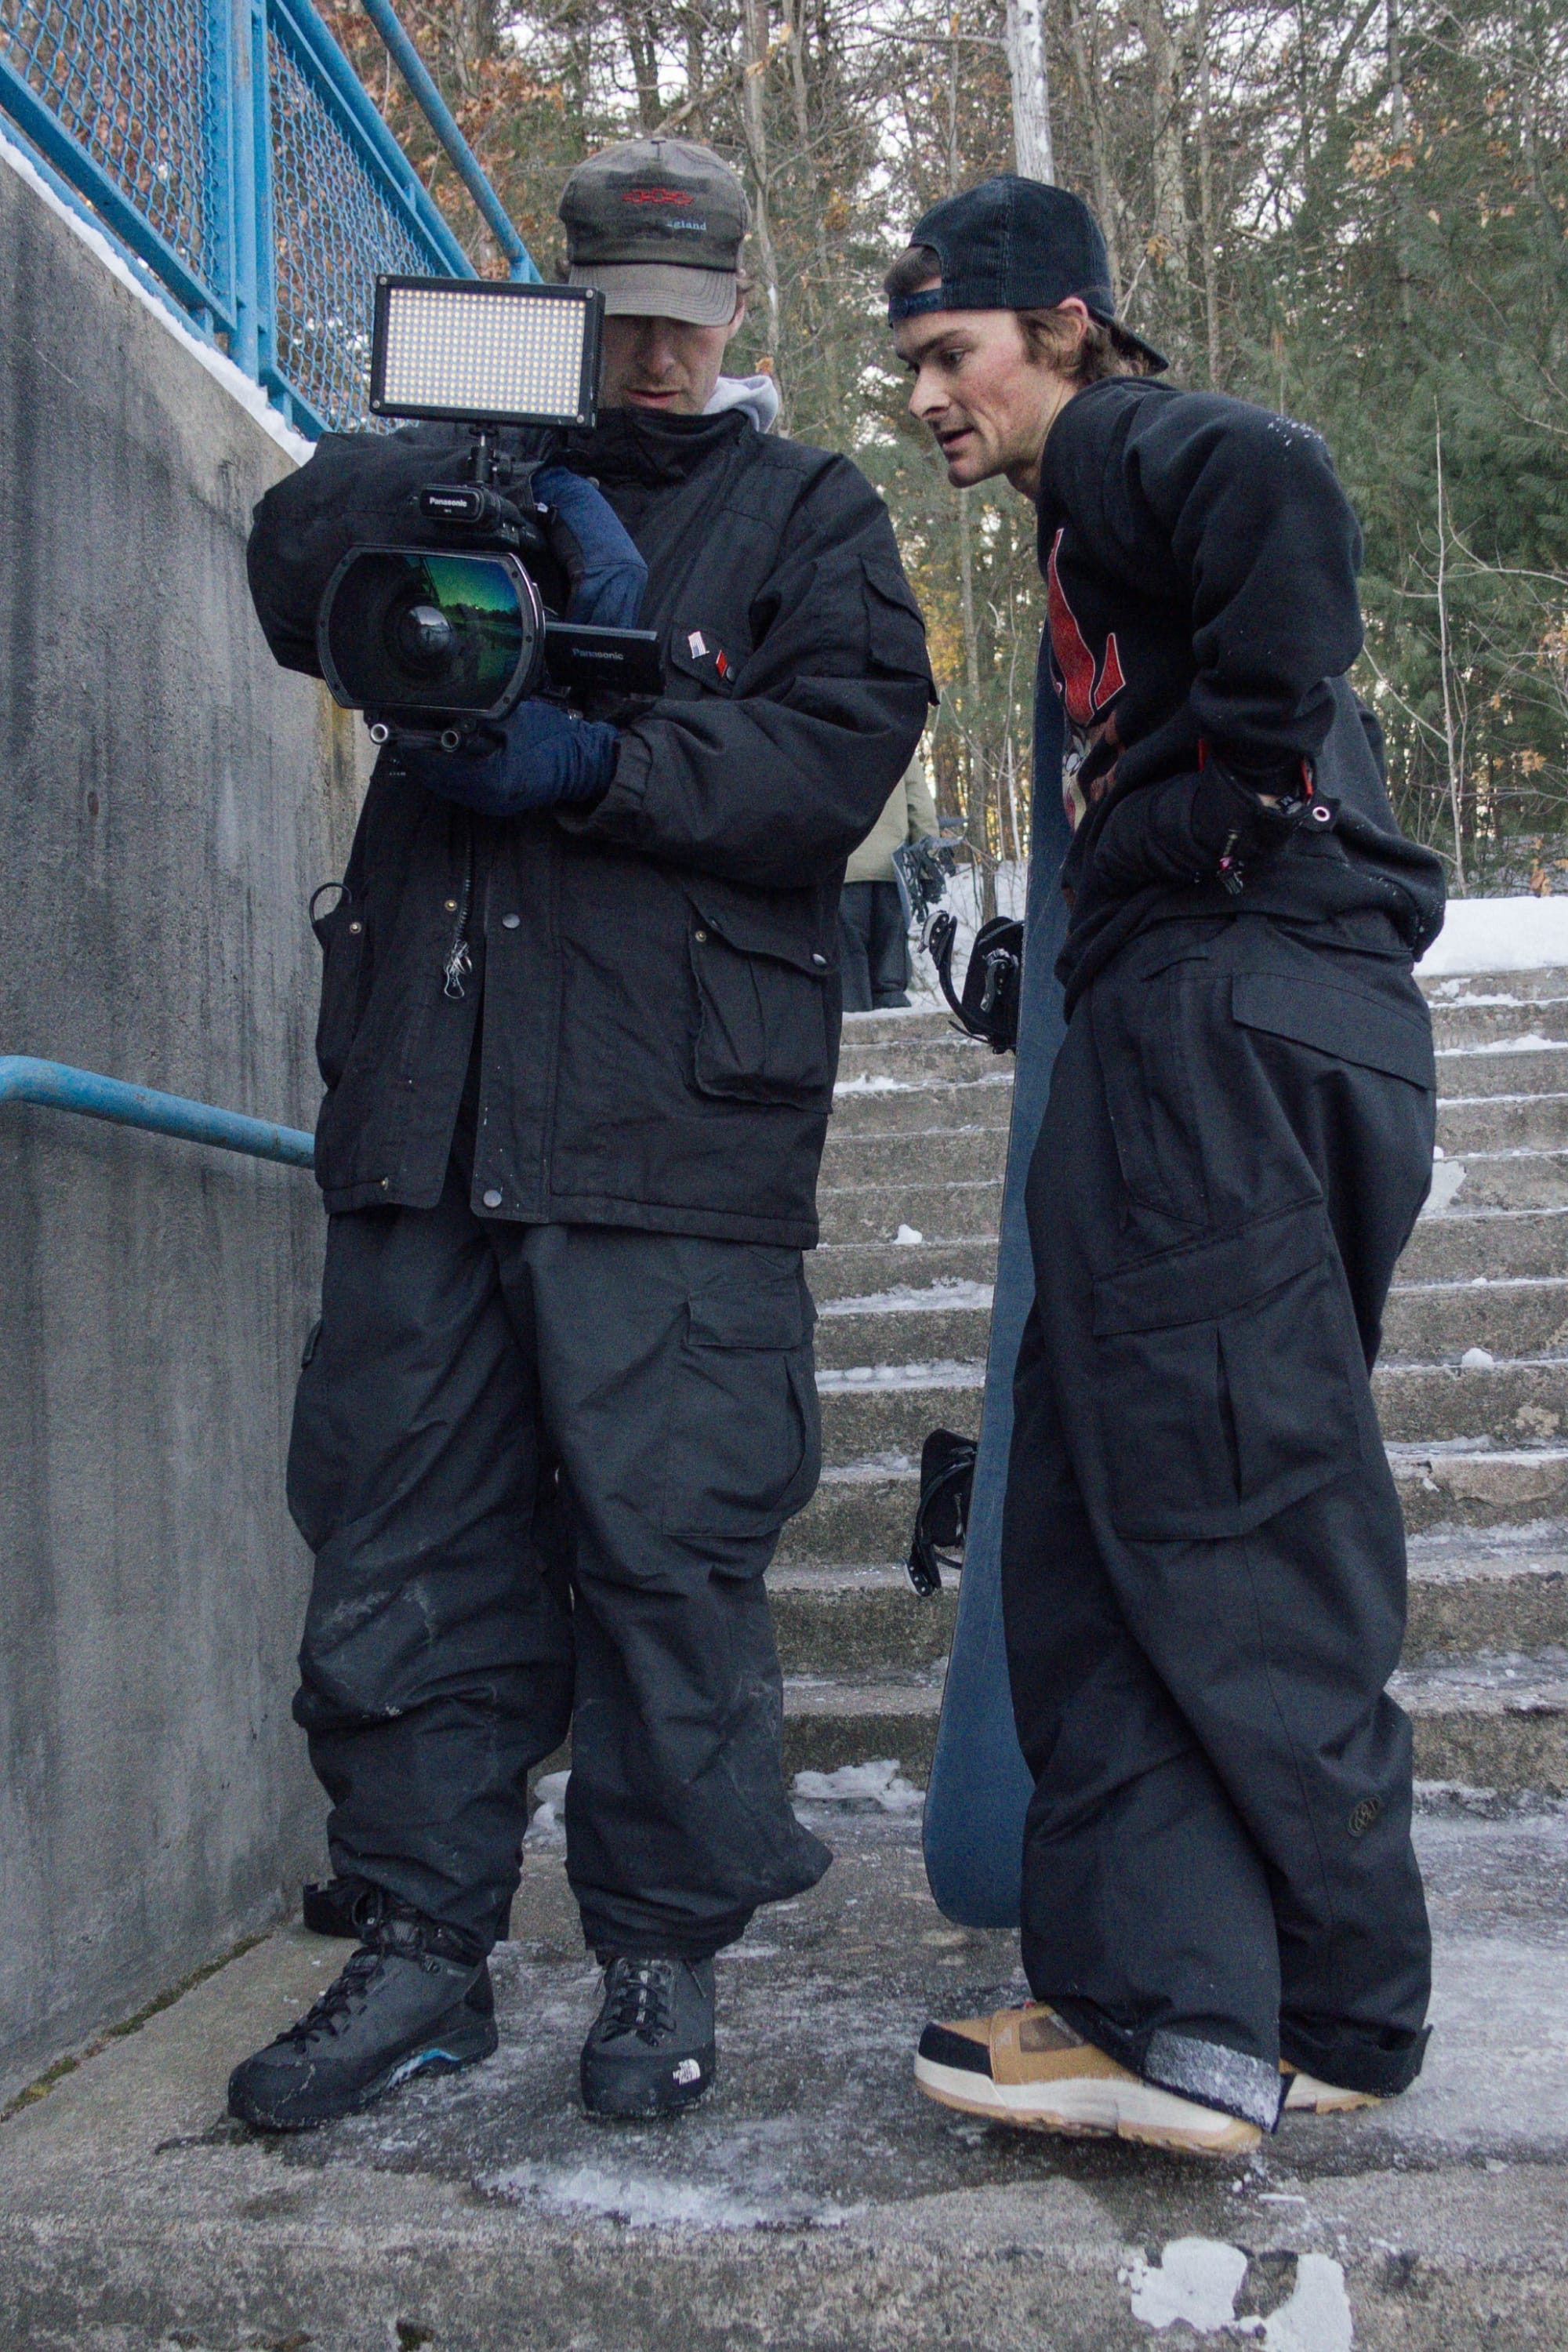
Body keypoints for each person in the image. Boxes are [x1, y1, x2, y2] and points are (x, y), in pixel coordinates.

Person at [227, 136, 932, 2133]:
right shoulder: (457, 465)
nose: (646, 362)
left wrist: (600, 755)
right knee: (395, 1547)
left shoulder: (807, 512)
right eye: (613, 324)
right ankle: (425, 1942)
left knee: (664, 1551)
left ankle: (656, 1954)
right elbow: (293, 570)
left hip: (667, 1133)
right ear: (565, 302)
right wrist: (442, 462)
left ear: (733, 315)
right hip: (429, 1120)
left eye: (680, 328)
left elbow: (826, 756)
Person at [885, 176, 1446, 2157]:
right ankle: (1249, 1998)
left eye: (948, 356)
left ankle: (1201, 2019)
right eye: (910, 370)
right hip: (1247, 1024)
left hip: (1224, 1026)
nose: (928, 399)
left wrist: (1224, 803)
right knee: (1138, 1505)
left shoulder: (1116, 437)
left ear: (1056, 326)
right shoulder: (1083, 529)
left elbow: (1274, 487)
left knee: (1203, 1513)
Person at [838, 750, 939, 1011]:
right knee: (890, 979)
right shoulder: (898, 736)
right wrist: (928, 868)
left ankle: (855, 1036)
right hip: (892, 871)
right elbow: (921, 807)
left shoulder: (826, 730)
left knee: (850, 981)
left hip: (842, 871)